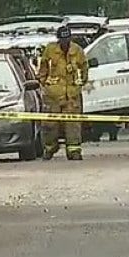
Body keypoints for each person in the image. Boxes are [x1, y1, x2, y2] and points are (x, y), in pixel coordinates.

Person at [37, 25, 90, 160]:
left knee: (73, 125)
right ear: (58, 39)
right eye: (62, 40)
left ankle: (74, 151)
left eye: (67, 39)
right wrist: (44, 83)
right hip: (53, 95)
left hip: (71, 96)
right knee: (50, 125)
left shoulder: (77, 51)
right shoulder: (50, 50)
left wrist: (80, 83)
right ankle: (50, 148)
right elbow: (43, 68)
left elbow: (84, 67)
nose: (65, 43)